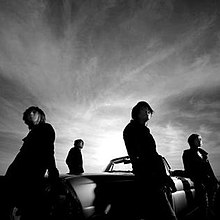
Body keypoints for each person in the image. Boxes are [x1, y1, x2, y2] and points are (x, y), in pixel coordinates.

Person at [123, 101, 177, 220]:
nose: (147, 112)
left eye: (149, 111)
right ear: (136, 113)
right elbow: (145, 155)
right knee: (169, 217)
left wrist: (164, 177)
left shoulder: (143, 130)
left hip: (155, 178)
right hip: (150, 179)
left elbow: (153, 155)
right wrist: (160, 177)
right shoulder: (132, 129)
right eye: (144, 110)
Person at [3, 106, 59, 220]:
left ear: (40, 116)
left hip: (29, 176)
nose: (30, 116)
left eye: (33, 113)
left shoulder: (45, 128)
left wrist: (52, 170)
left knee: (29, 209)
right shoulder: (34, 132)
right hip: (20, 175)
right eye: (28, 115)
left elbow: (48, 150)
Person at [182, 133, 219, 219]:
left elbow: (209, 170)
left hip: (209, 181)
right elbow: (188, 170)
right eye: (198, 139)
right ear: (192, 141)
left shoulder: (203, 154)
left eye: (201, 139)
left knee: (211, 203)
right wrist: (198, 181)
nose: (200, 141)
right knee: (203, 205)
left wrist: (215, 181)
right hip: (199, 182)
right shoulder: (187, 153)